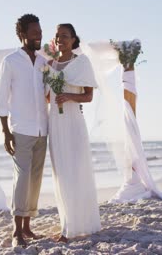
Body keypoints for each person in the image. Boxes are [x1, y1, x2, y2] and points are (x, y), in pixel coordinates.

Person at [45, 24, 101, 242]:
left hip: (74, 122)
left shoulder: (82, 62)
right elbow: (47, 97)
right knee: (61, 173)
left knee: (77, 171)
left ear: (74, 39)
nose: (61, 39)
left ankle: (80, 223)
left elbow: (88, 96)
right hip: (55, 123)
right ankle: (67, 223)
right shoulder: (49, 65)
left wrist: (69, 96)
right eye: (58, 36)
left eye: (65, 36)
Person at [0, 14, 48, 248]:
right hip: (21, 130)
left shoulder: (42, 62)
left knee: (35, 180)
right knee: (22, 179)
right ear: (23, 34)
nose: (39, 34)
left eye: (40, 31)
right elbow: (1, 99)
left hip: (42, 130)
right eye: (34, 31)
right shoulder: (10, 61)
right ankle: (17, 230)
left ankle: (28, 226)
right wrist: (6, 132)